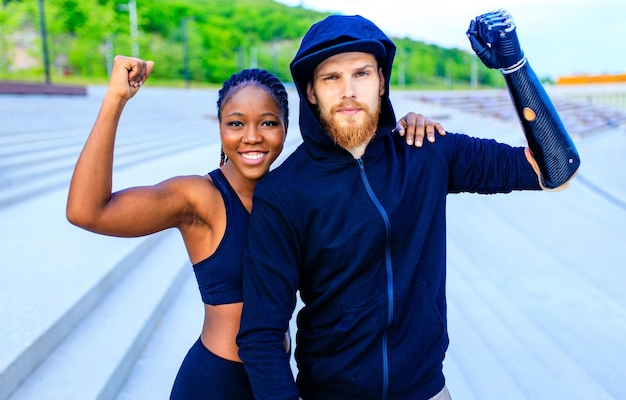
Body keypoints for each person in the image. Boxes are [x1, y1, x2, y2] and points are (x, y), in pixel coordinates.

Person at [236, 10, 580, 400]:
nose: (348, 90)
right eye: (332, 77)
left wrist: (514, 65)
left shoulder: (427, 152)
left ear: (382, 81)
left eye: (362, 73)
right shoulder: (283, 192)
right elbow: (262, 335)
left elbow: (557, 168)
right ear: (311, 91)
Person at [65, 56, 444, 399]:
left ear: (285, 127)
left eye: (267, 123)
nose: (251, 136)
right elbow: (87, 211)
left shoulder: (297, 192)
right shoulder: (200, 197)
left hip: (279, 382)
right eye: (236, 124)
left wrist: (403, 131)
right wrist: (115, 99)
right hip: (216, 384)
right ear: (220, 128)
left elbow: (363, 157)